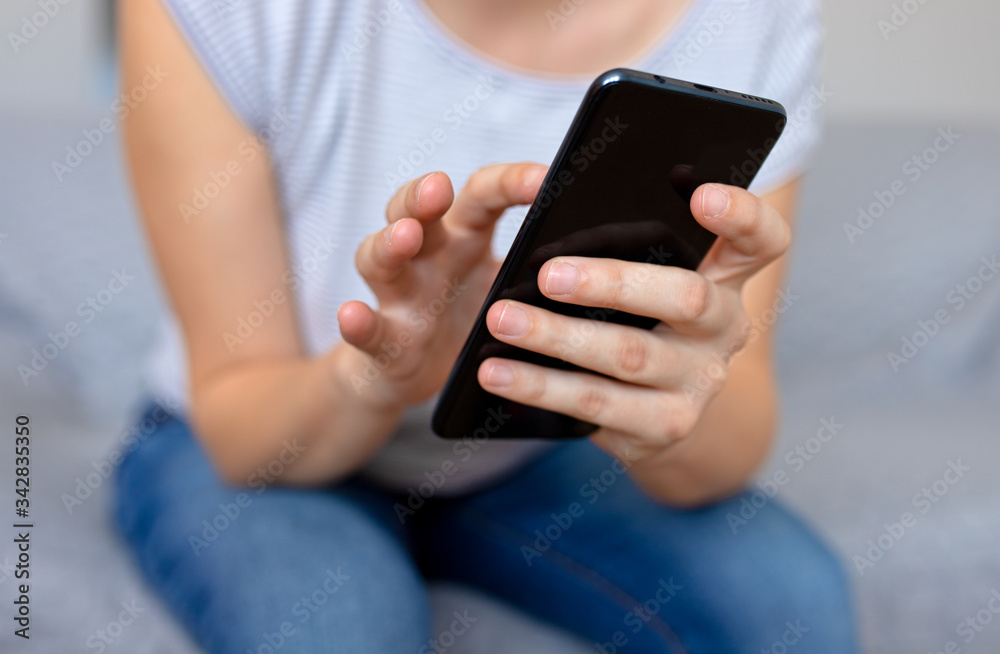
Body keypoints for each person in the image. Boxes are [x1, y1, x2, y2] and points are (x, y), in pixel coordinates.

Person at [115, 0, 858, 652]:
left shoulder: (753, 15)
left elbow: (732, 436)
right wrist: (375, 377)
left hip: (531, 444)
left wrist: (647, 388)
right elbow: (240, 436)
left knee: (793, 601)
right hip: (272, 435)